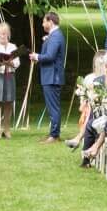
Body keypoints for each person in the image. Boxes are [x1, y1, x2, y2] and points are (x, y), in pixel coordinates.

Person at [31, 10, 66, 142]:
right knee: (52, 107)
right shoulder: (54, 35)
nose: (42, 24)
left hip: (52, 76)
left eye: (44, 21)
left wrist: (37, 56)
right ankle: (53, 133)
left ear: (50, 22)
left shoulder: (56, 36)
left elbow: (50, 56)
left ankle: (54, 135)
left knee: (53, 107)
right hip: (50, 75)